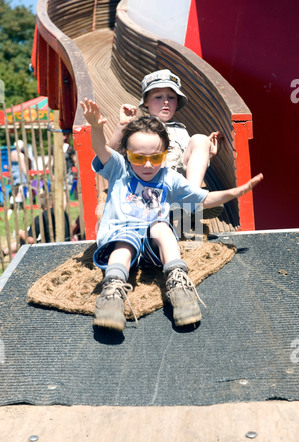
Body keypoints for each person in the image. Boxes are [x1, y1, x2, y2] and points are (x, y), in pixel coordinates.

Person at [80, 98, 263, 332]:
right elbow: (100, 148)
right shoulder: (119, 168)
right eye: (138, 158)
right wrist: (97, 127)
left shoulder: (168, 177)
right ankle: (112, 293)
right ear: (127, 155)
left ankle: (178, 285)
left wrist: (234, 192)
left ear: (164, 155)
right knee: (125, 244)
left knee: (161, 227)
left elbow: (204, 199)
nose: (147, 165)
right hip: (121, 239)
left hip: (153, 250)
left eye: (155, 158)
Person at [109, 69, 222, 194]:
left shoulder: (180, 129)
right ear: (146, 101)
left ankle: (192, 195)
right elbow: (110, 154)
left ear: (177, 102)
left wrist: (207, 149)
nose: (166, 101)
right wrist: (122, 126)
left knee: (200, 139)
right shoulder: (139, 127)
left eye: (172, 97)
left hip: (176, 182)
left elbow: (188, 160)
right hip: (147, 180)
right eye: (158, 97)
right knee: (153, 145)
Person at [2, 194, 70, 257]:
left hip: (50, 252)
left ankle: (3, 253)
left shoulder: (42, 217)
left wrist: (21, 234)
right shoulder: (64, 214)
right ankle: (3, 253)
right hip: (67, 248)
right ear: (52, 202)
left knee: (23, 241)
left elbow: (31, 240)